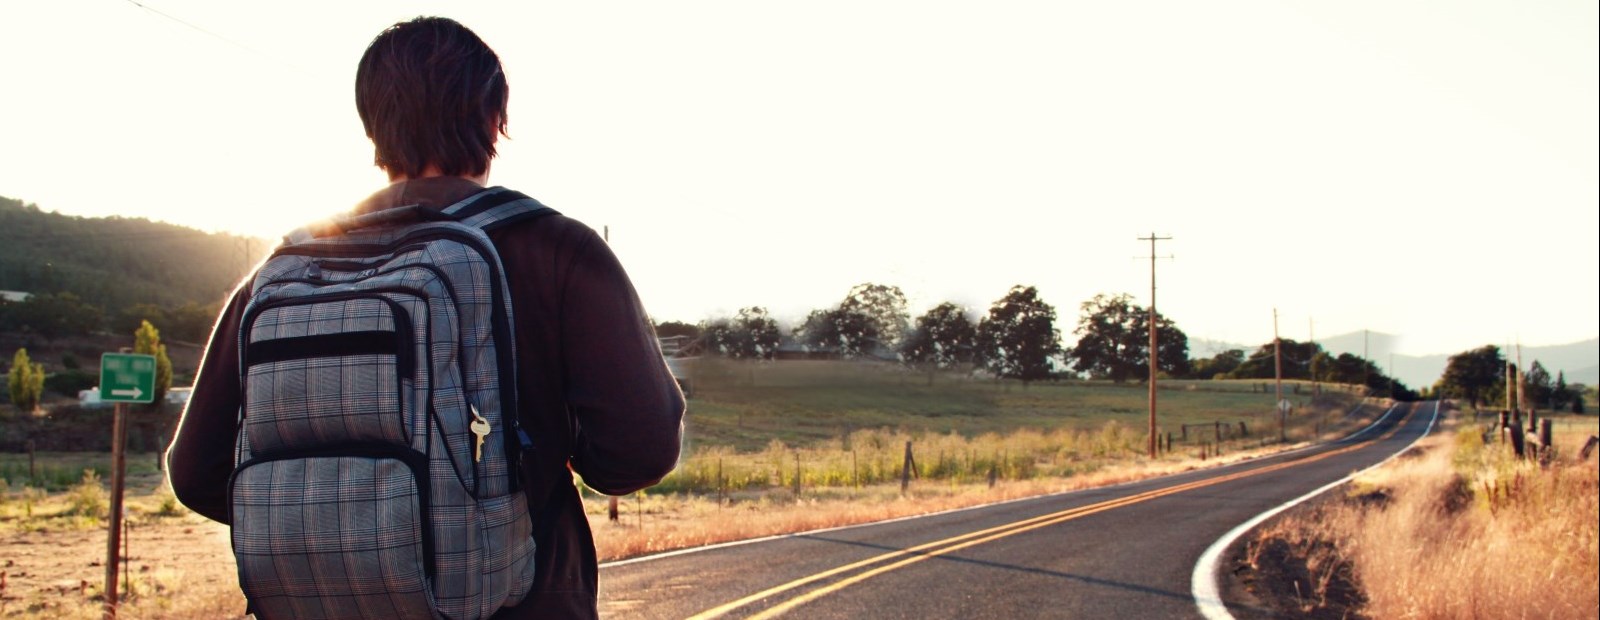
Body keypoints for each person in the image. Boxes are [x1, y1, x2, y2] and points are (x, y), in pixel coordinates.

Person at [167, 16, 685, 619]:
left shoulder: (287, 268)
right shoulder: (559, 250)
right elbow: (640, 451)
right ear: (496, 119)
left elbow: (196, 471)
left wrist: (351, 531)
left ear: (371, 126)